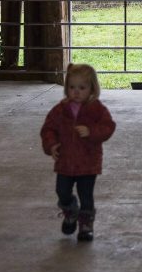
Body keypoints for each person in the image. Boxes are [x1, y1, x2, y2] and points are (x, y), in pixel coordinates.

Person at [40, 63, 116, 242]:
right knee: (62, 191)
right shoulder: (61, 109)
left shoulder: (96, 109)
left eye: (82, 88)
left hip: (88, 162)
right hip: (65, 161)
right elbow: (48, 129)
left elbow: (108, 127)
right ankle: (70, 211)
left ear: (92, 89)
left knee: (86, 195)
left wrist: (91, 132)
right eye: (72, 87)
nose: (76, 92)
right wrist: (51, 145)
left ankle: (86, 224)